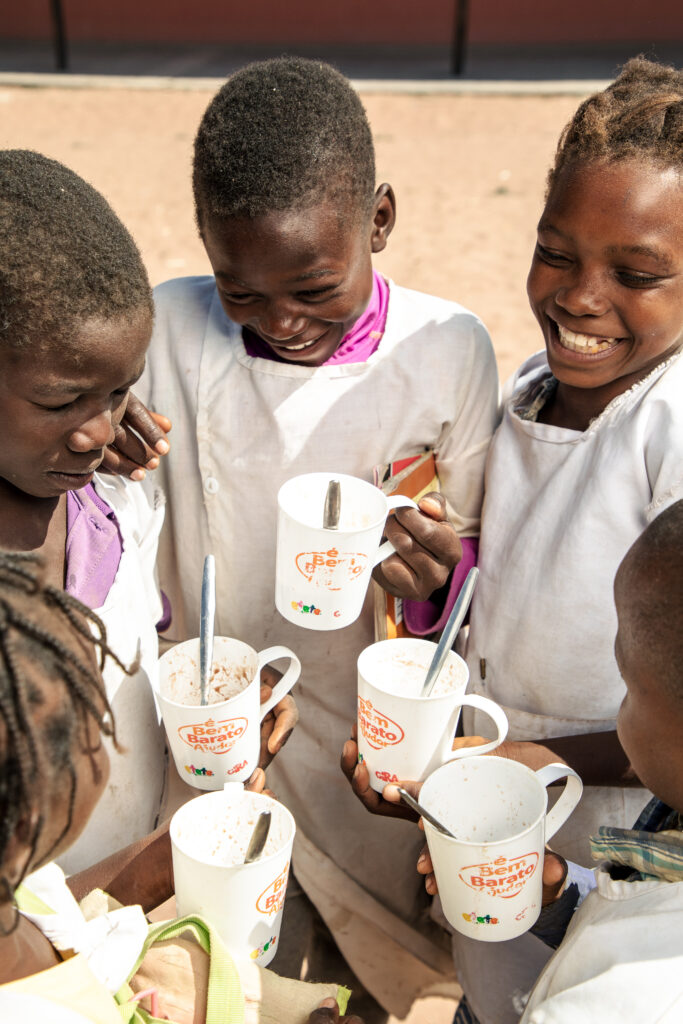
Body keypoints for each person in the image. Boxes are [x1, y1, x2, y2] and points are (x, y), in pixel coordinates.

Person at [135, 56, 499, 1019]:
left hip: (354, 731)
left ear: (378, 220)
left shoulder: (444, 349)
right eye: (240, 292)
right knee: (216, 962)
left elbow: (469, 557)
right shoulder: (167, 329)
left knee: (359, 974)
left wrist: (430, 578)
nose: (281, 321)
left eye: (314, 288)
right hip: (208, 726)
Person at [342, 57, 683, 1024]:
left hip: (621, 824)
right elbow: (512, 575)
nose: (579, 297)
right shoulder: (529, 384)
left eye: (637, 274)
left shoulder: (671, 426)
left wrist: (528, 759)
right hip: (504, 815)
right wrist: (435, 589)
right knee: (500, 990)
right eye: (557, 252)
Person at [0, 150, 296, 874]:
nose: (99, 431)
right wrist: (145, 875)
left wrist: (205, 712)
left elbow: (125, 666)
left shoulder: (112, 508)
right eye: (59, 400)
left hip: (129, 922)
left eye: (117, 393)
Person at [0, 549, 363, 1024]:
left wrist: (173, 854)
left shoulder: (23, 888)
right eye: (97, 727)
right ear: (31, 814)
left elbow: (62, 907)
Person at [414, 499, 683, 1022]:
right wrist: (563, 892)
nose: (622, 708)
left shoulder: (614, 1002)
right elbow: (641, 911)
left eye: (628, 689)